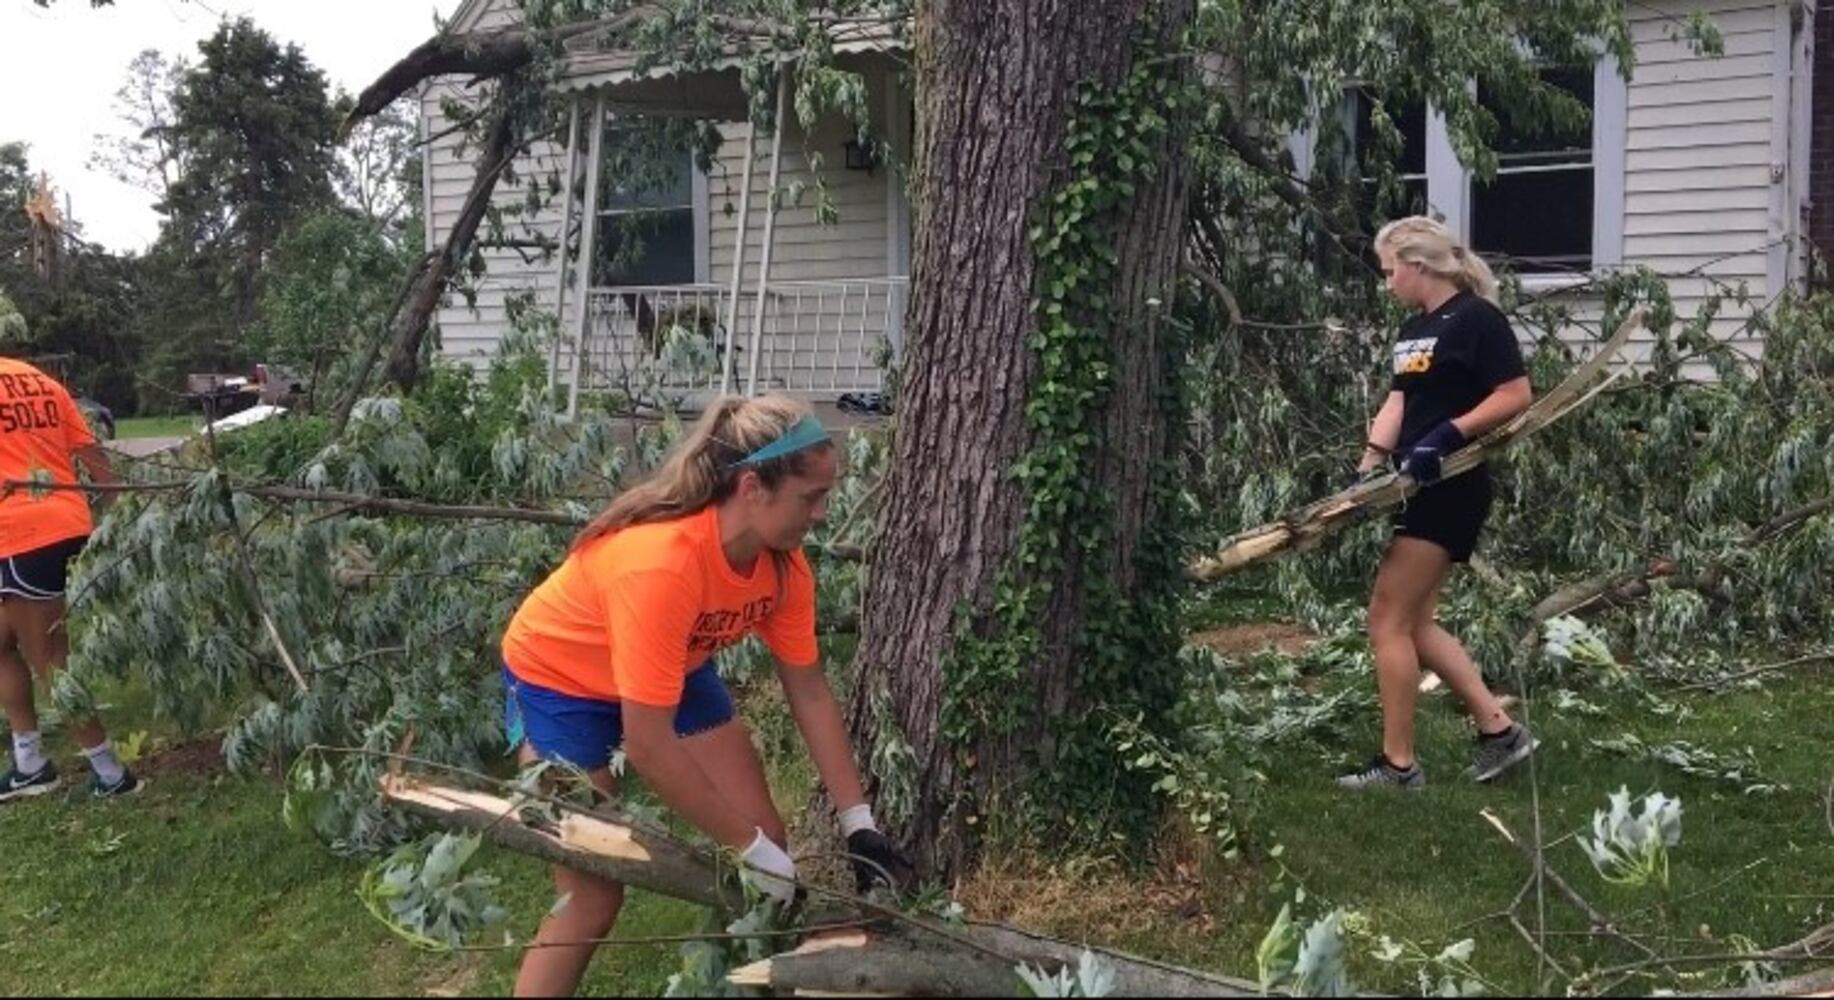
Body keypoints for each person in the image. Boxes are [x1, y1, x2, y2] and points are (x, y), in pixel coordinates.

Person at [499, 394, 912, 996]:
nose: (822, 514)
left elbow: (810, 692)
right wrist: (746, 849)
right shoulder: (661, 566)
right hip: (560, 682)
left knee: (766, 830)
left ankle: (734, 981)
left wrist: (859, 823)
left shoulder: (783, 567)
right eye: (811, 497)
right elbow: (648, 744)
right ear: (752, 487)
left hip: (674, 665)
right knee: (590, 896)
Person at [1337, 217, 1539, 791]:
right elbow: (1400, 402)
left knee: (1386, 617)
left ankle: (1399, 767)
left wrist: (1448, 435)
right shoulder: (1413, 329)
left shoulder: (1479, 319)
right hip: (1413, 482)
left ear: (1416, 265)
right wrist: (1367, 467)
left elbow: (1515, 395)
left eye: (1389, 270)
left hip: (1452, 482)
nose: (1387, 282)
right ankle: (1500, 733)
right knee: (1417, 623)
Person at [0, 355, 140, 802]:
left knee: (51, 662)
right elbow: (91, 452)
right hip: (66, 519)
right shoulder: (34, 379)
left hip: (21, 535)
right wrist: (116, 518)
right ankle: (30, 763)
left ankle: (112, 773)